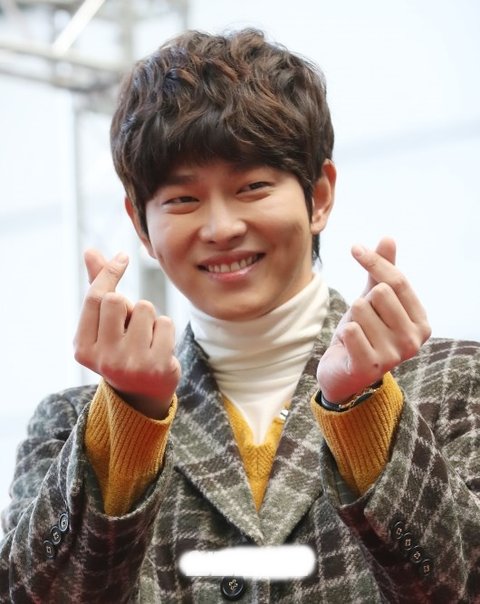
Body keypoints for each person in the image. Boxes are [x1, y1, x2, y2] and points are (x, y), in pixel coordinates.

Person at [1, 28, 479, 603]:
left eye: (252, 187)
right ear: (140, 225)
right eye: (182, 199)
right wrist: (129, 411)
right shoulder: (68, 426)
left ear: (319, 196)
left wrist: (362, 405)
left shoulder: (456, 385)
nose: (221, 227)